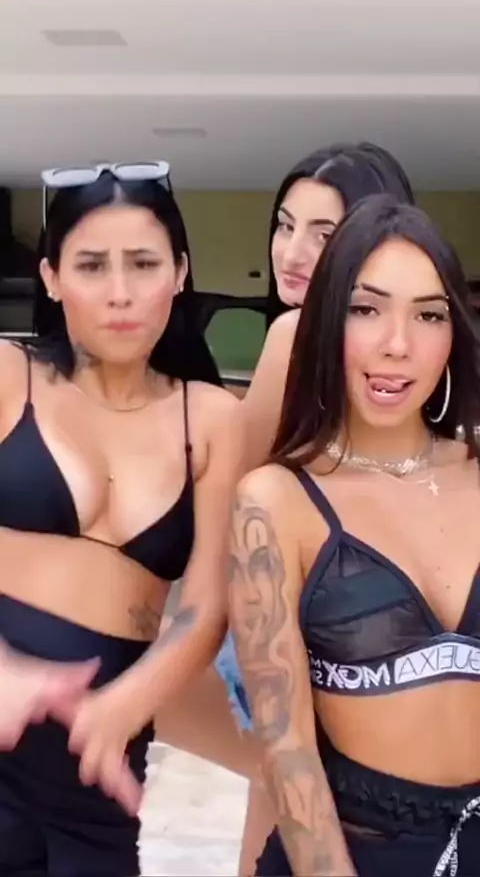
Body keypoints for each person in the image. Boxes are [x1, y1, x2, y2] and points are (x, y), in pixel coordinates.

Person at [155, 142, 416, 874]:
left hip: (301, 644)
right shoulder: (393, 353)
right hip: (361, 642)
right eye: (285, 224)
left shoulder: (295, 338)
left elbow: (225, 516)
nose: (291, 252)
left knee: (279, 826)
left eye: (322, 233)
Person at [0, 162, 242, 876]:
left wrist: (123, 708)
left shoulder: (212, 419)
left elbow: (205, 606)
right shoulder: (9, 378)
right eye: (91, 265)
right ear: (50, 278)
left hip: (98, 774)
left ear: (180, 272)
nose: (120, 292)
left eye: (143, 263)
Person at [229, 194, 480, 877]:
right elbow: (287, 751)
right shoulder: (275, 503)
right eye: (365, 309)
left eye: (428, 314)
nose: (397, 343)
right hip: (355, 852)